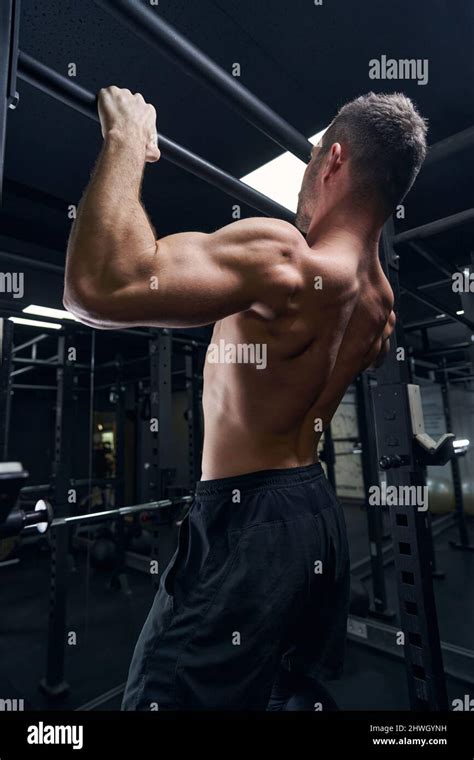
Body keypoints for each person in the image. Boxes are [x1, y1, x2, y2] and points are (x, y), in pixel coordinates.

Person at [63, 88, 427, 710]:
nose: (305, 181)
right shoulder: (381, 306)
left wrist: (126, 137)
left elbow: (97, 286)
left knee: (167, 692)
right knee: (276, 690)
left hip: (244, 519)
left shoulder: (284, 257)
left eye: (311, 164)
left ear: (332, 161)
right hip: (315, 519)